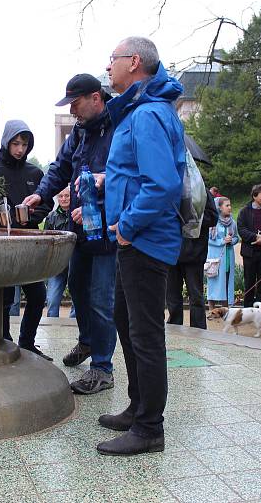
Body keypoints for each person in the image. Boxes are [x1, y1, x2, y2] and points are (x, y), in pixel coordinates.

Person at [98, 36, 185, 456]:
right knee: (125, 320)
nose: (107, 66)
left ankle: (150, 427)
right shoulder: (139, 110)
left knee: (146, 334)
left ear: (134, 62)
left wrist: (128, 226)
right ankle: (137, 406)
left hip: (144, 240)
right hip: (134, 239)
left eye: (112, 59)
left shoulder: (147, 114)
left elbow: (163, 183)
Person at [23, 73, 117, 391]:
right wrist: (41, 193)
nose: (73, 110)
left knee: (102, 299)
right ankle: (88, 341)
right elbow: (61, 167)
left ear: (95, 98)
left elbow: (128, 175)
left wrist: (102, 194)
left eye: (75, 103)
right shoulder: (78, 132)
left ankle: (102, 368)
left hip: (106, 231)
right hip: (79, 229)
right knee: (76, 287)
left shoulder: (119, 125)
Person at [0, 120, 52, 360]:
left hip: (28, 244)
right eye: (16, 143)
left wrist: (31, 217)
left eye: (25, 144)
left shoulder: (34, 173)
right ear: (6, 142)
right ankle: (5, 344)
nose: (20, 149)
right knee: (5, 298)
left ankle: (27, 342)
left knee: (38, 295)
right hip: (1, 245)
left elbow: (46, 202)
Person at [166, 185, 218, 328]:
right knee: (172, 296)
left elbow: (213, 218)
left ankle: (198, 329)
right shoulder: (170, 187)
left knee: (196, 296)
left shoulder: (201, 191)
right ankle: (174, 328)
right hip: (172, 252)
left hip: (194, 253)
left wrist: (191, 216)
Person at [44, 188, 74, 318]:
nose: (64, 199)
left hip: (75, 262)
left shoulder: (77, 215)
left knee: (78, 300)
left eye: (67, 196)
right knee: (51, 300)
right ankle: (51, 328)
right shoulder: (51, 218)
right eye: (61, 196)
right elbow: (45, 240)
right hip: (57, 265)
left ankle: (74, 326)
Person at [207, 197, 240, 309]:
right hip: (215, 257)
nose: (230, 208)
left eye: (230, 205)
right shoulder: (213, 222)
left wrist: (232, 241)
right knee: (213, 280)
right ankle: (211, 308)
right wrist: (222, 241)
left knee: (226, 280)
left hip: (228, 257)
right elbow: (209, 239)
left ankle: (225, 307)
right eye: (227, 205)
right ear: (219, 208)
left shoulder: (232, 223)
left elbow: (236, 237)